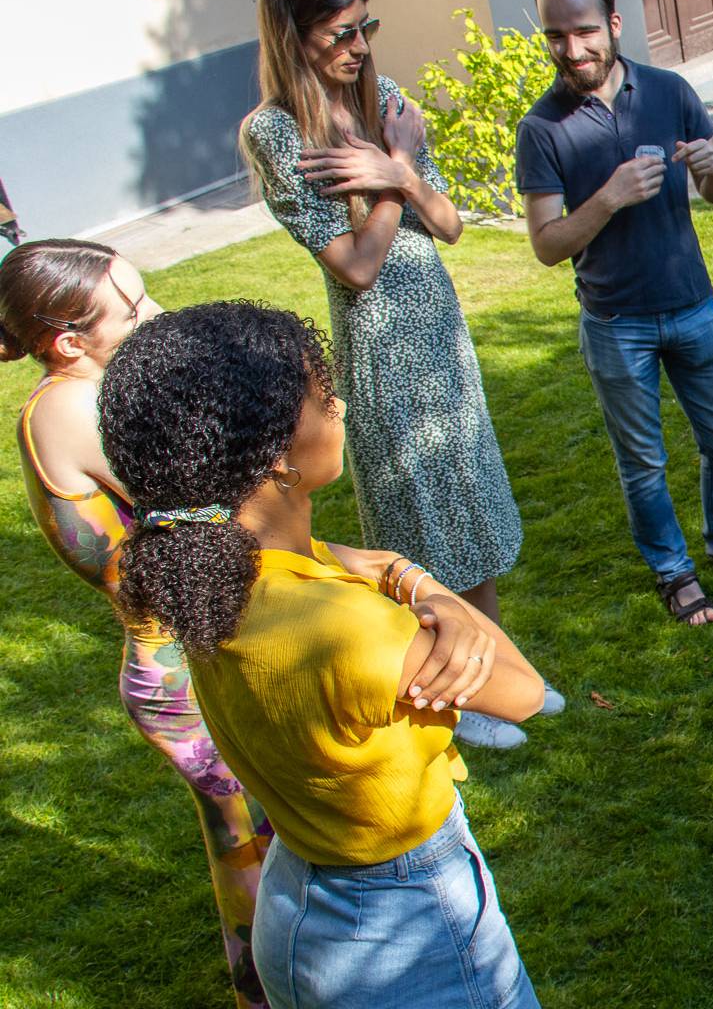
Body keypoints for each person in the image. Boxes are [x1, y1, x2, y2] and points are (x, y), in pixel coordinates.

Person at [96, 301, 547, 1009]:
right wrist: (414, 579)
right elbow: (522, 692)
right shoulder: (347, 627)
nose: (339, 407)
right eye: (322, 395)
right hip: (405, 930)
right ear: (277, 452)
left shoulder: (213, 574)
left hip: (303, 895)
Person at [239, 0, 549, 748]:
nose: (359, 46)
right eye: (339, 33)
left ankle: (504, 669)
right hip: (380, 339)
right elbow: (356, 265)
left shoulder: (387, 100)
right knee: (421, 515)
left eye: (365, 25)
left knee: (468, 499)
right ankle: (457, 697)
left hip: (438, 328)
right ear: (293, 37)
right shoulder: (277, 132)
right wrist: (394, 174)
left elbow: (446, 224)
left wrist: (402, 173)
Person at [2, 241, 272, 1008]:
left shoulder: (88, 394)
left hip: (189, 648)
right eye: (134, 309)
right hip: (182, 669)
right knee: (248, 836)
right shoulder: (73, 410)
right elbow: (213, 497)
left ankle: (276, 982)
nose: (155, 315)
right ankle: (272, 988)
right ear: (67, 341)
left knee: (252, 830)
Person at [517, 0, 713, 627]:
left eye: (585, 31)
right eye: (556, 36)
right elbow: (548, 244)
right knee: (643, 462)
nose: (573, 49)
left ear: (613, 24)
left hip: (692, 304)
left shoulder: (669, 92)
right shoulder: (543, 127)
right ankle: (674, 570)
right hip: (616, 322)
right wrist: (609, 198)